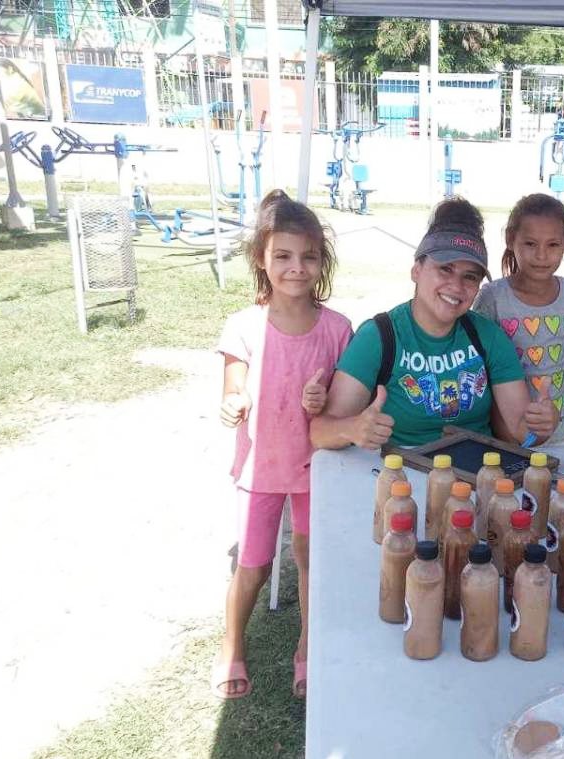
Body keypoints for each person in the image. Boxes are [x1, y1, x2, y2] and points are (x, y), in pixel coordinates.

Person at [213, 190, 353, 700]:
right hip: (261, 469)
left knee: (313, 559)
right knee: (253, 563)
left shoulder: (338, 329)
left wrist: (322, 400)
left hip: (318, 468)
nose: (297, 268)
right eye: (283, 256)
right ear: (261, 259)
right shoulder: (243, 326)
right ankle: (231, 646)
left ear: (322, 261)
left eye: (308, 256)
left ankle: (307, 650)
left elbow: (343, 403)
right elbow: (233, 385)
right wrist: (234, 402)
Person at [311, 197, 558, 451]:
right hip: (399, 476)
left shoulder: (489, 337)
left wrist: (539, 426)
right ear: (416, 270)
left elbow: (521, 432)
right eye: (445, 269)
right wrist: (352, 428)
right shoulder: (380, 336)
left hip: (476, 476)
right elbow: (320, 431)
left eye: (470, 277)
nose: (457, 286)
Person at [471, 194, 564, 446]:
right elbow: (479, 369)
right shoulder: (493, 298)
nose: (541, 255)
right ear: (510, 239)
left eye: (552, 245)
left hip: (559, 433)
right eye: (530, 243)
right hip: (505, 434)